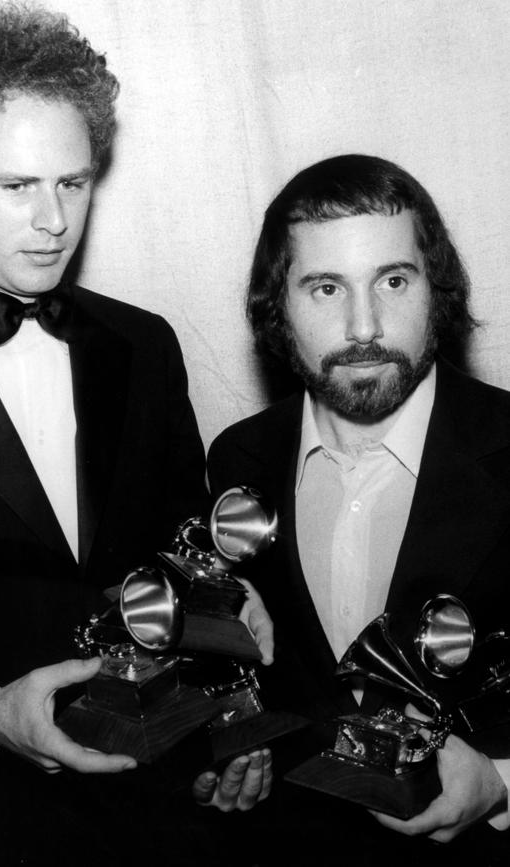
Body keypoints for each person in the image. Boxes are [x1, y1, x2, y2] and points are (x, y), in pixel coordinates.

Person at [0, 3, 272, 864]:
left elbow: (180, 559)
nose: (54, 220)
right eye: (18, 186)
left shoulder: (146, 345)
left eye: (73, 182)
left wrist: (230, 695)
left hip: (153, 815)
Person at [207, 154, 510, 865]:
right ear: (276, 306)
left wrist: (498, 783)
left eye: (394, 281)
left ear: (438, 290)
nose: (364, 324)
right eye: (324, 287)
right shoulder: (238, 460)